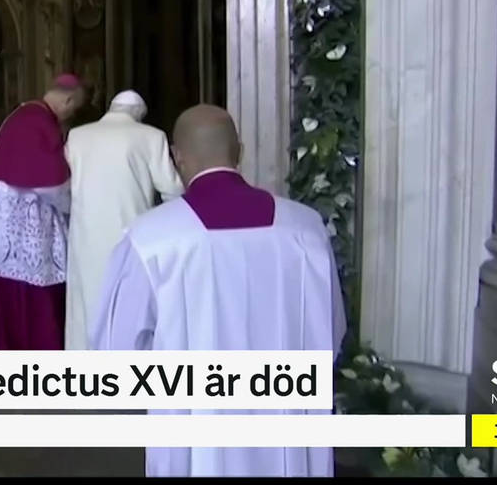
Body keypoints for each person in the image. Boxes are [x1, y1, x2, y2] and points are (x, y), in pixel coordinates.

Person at [91, 105, 347, 477]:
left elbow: (116, 354)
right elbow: (330, 334)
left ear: (177, 157)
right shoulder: (305, 228)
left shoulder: (152, 237)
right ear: (239, 151)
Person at [63, 90, 183, 350]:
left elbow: (67, 186)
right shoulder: (152, 136)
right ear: (139, 114)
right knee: (128, 309)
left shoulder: (77, 135)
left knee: (86, 305)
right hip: (132, 238)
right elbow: (173, 191)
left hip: (85, 237)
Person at [0, 74, 86, 350]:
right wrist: (77, 208)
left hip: (4, 238)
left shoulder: (19, 115)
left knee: (11, 315)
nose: (70, 116)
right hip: (29, 238)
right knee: (40, 314)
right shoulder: (40, 123)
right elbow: (52, 186)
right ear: (68, 100)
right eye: (73, 109)